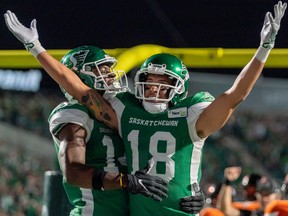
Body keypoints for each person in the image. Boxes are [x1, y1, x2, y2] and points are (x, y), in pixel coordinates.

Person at [4, 1, 286, 215]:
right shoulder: (106, 111)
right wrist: (35, 47)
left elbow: (233, 97)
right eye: (149, 82)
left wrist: (264, 48)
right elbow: (80, 91)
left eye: (163, 83)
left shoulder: (167, 111)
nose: (154, 88)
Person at [48, 45, 170, 215]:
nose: (111, 74)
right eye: (102, 69)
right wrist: (124, 181)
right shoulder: (73, 114)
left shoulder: (121, 110)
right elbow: (74, 173)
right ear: (80, 76)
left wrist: (186, 195)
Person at [217, 166, 282, 216]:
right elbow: (225, 209)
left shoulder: (283, 211)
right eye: (261, 194)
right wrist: (227, 182)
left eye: (267, 194)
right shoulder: (252, 212)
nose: (264, 199)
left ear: (277, 196)